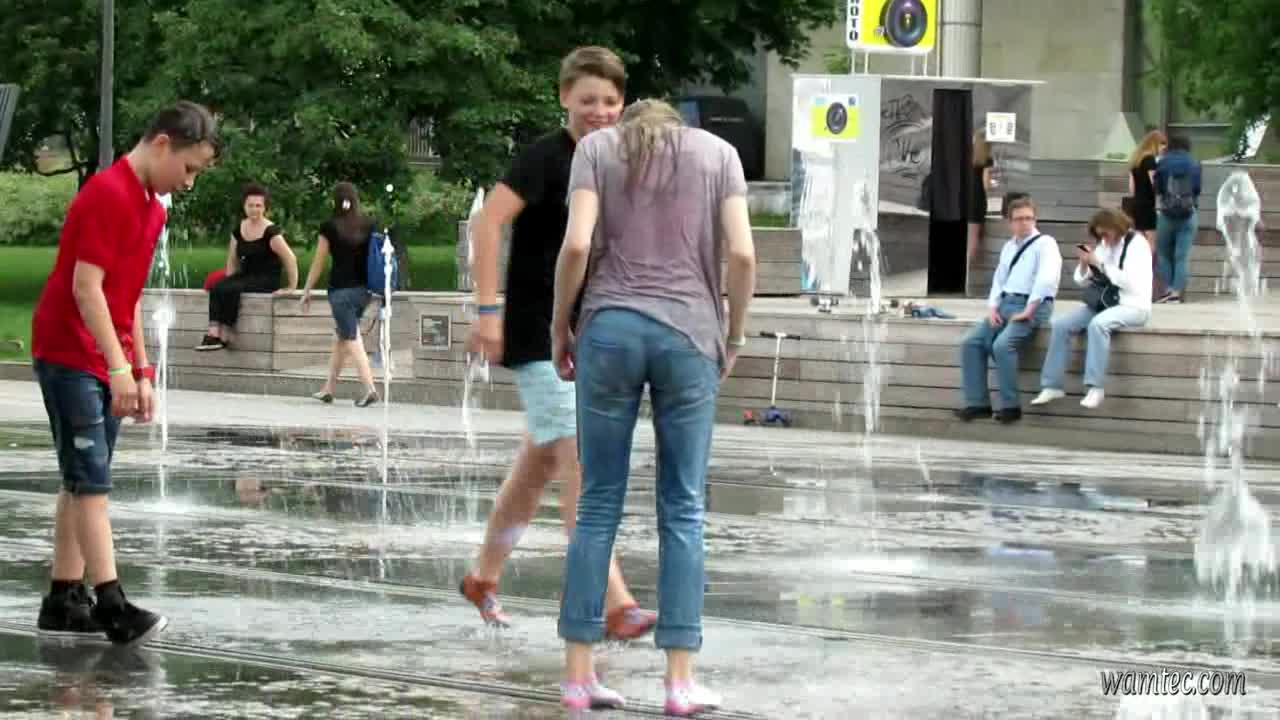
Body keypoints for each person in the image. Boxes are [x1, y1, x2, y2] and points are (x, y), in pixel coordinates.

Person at [551, 98, 757, 715]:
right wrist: (734, 335)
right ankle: (679, 682)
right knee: (684, 506)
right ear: (677, 124)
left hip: (610, 330)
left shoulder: (596, 150)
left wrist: (561, 326)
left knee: (597, 504)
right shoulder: (720, 155)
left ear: (631, 123)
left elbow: (576, 245)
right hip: (690, 334)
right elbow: (743, 255)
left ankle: (579, 677)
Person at [460, 47, 655, 652]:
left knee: (539, 463)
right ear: (564, 97)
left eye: (610, 101)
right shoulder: (547, 157)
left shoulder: (617, 159)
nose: (599, 111)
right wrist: (487, 311)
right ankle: (613, 602)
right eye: (587, 99)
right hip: (535, 331)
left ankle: (482, 576)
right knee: (580, 461)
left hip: (588, 332)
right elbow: (487, 223)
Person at [32, 100, 218, 644]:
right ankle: (111, 603)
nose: (188, 183)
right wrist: (116, 366)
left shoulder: (151, 208)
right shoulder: (107, 194)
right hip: (68, 350)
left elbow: (127, 295)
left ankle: (64, 598)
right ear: (161, 144)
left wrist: (140, 369)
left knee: (81, 477)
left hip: (103, 354)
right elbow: (85, 288)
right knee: (91, 482)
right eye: (188, 168)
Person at [1032, 208, 1152, 410]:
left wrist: (1102, 265)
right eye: (1099, 235)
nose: (1103, 238)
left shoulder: (1137, 244)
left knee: (1098, 325)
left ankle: (1095, 387)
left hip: (1134, 306)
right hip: (1105, 303)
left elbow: (1131, 283)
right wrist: (1084, 264)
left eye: (1105, 233)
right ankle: (1052, 385)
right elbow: (1080, 281)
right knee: (1061, 324)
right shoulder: (1104, 245)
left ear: (1116, 226)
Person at [955, 195, 1061, 424]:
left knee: (1002, 346)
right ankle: (978, 404)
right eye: (1019, 219)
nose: (1025, 223)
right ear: (1009, 222)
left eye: (1029, 218)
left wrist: (1029, 310)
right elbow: (999, 279)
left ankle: (1011, 407)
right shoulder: (1009, 246)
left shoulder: (1046, 243)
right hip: (1006, 303)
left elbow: (1046, 280)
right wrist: (993, 307)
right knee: (970, 342)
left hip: (1035, 304)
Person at [300, 182, 379, 407]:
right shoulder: (369, 224)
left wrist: (307, 290)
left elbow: (319, 262)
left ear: (334, 201)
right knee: (342, 338)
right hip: (364, 291)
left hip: (341, 293)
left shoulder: (329, 227)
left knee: (352, 338)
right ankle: (328, 389)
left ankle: (370, 389)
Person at [196, 183, 298, 350]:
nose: (254, 209)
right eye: (250, 205)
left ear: (264, 208)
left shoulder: (271, 232)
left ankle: (226, 333)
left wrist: (291, 287)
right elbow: (232, 259)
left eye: (258, 206)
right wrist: (227, 280)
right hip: (246, 275)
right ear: (244, 206)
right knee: (218, 287)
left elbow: (290, 258)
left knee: (232, 288)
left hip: (266, 278)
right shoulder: (239, 230)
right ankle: (213, 333)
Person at [1154, 135, 1202, 304]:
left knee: (1163, 254)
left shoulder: (1163, 163)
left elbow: (1158, 188)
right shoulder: (1195, 163)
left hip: (1166, 213)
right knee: (1182, 256)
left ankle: (1168, 289)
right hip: (1188, 213)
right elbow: (1197, 189)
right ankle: (1176, 293)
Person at [1126, 130, 1166, 298]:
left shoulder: (1135, 161)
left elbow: (1132, 188)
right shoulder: (1150, 160)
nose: (1163, 149)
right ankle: (1146, 277)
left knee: (1139, 242)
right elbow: (1154, 183)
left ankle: (1135, 275)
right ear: (1154, 143)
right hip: (1148, 206)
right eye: (1162, 144)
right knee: (1151, 245)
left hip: (1136, 205)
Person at [966, 129, 995, 263]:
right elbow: (986, 185)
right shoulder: (986, 160)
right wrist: (992, 183)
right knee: (973, 238)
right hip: (976, 200)